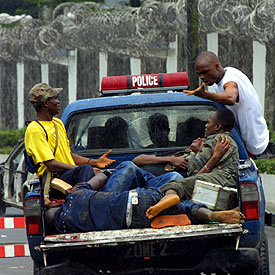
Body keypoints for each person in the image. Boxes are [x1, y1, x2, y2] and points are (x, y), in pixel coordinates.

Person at [45, 172, 244, 234]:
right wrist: (105, 172)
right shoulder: (77, 193)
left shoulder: (66, 226)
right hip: (136, 199)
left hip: (132, 222)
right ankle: (209, 214)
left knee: (180, 212)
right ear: (56, 205)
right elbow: (100, 178)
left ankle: (198, 214)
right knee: (178, 201)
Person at [146, 108, 240, 219]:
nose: (205, 125)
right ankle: (223, 213)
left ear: (218, 127)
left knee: (175, 184)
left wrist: (196, 154)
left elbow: (193, 169)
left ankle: (167, 198)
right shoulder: (228, 140)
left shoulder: (218, 140)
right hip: (227, 180)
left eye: (208, 122)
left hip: (221, 178)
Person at [25, 83, 116, 187]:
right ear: (46, 103)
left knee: (104, 174)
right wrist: (81, 169)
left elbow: (68, 155)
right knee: (87, 171)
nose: (58, 102)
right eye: (55, 98)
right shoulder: (35, 129)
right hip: (55, 180)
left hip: (69, 175)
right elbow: (51, 165)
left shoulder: (57, 123)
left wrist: (94, 162)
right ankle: (80, 196)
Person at [184, 51, 269, 156]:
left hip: (256, 145)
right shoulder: (221, 80)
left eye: (205, 72)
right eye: (199, 74)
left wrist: (205, 95)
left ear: (216, 66)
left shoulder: (230, 80)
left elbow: (230, 98)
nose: (202, 77)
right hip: (246, 143)